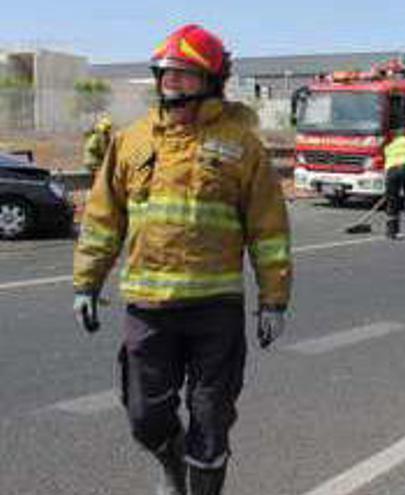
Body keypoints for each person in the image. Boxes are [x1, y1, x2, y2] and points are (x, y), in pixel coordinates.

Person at [72, 24, 293, 495]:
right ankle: (170, 463)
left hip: (216, 309)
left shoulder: (241, 144)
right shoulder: (130, 141)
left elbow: (269, 230)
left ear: (211, 80)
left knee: (212, 418)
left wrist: (274, 300)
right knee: (144, 417)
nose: (173, 80)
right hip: (148, 307)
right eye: (167, 72)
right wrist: (85, 283)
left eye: (186, 73)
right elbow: (102, 217)